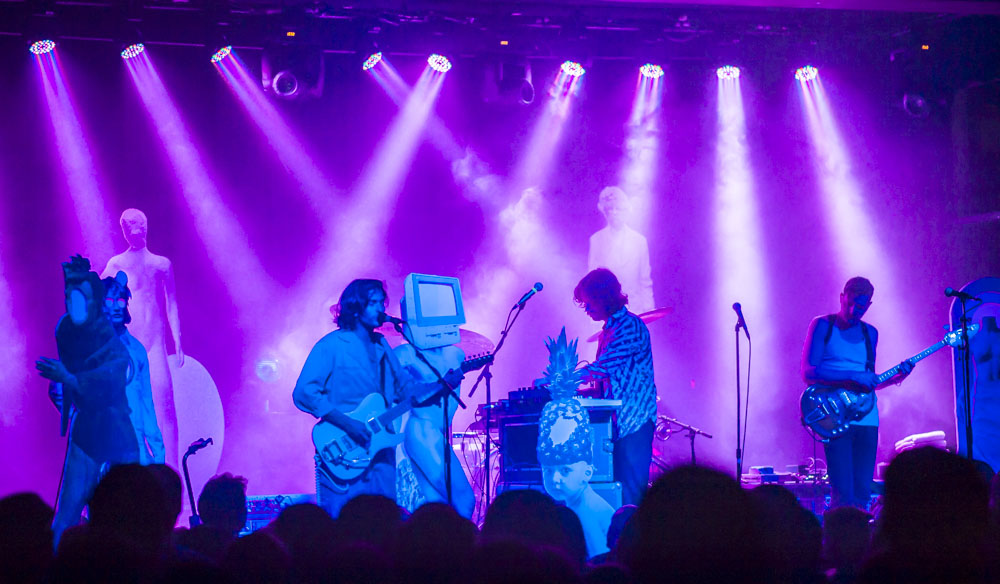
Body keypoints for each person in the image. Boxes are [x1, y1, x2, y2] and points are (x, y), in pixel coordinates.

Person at [293, 279, 462, 518]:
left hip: (380, 450)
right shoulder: (331, 345)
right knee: (346, 524)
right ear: (355, 306)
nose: (381, 309)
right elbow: (304, 392)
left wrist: (441, 385)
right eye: (373, 303)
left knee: (383, 523)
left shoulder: (382, 345)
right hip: (343, 449)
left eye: (382, 302)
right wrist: (349, 424)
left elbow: (406, 390)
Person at [36, 256, 139, 544]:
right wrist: (66, 386)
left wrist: (70, 379)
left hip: (117, 427)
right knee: (68, 513)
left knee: (129, 511)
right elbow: (69, 375)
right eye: (69, 297)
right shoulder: (67, 330)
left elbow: (113, 372)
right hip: (88, 429)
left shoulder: (118, 343)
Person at [800, 276, 913, 509]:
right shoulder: (823, 325)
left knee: (863, 491)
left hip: (867, 418)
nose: (853, 310)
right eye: (848, 303)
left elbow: (867, 383)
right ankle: (839, 542)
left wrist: (894, 379)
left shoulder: (871, 333)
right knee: (842, 491)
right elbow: (808, 372)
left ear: (869, 305)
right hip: (834, 415)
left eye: (860, 306)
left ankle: (861, 542)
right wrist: (852, 376)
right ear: (842, 298)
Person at [102, 208, 184, 470]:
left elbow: (172, 304)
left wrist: (178, 342)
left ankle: (173, 471)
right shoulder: (116, 264)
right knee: (133, 408)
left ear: (145, 226)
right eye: (127, 226)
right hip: (130, 347)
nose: (132, 229)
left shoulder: (161, 264)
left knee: (165, 406)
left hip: (154, 346)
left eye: (136, 224)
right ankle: (137, 471)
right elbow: (97, 293)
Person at [575, 268, 657, 507]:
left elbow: (604, 367)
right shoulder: (609, 330)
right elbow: (607, 377)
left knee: (632, 494)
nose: (587, 309)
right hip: (619, 423)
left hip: (635, 421)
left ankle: (635, 543)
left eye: (589, 303)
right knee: (617, 492)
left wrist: (562, 379)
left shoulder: (629, 326)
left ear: (604, 298)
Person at [587, 187, 655, 315]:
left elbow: (645, 280)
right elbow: (592, 279)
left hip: (635, 311)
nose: (614, 213)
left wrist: (649, 312)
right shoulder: (596, 240)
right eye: (609, 209)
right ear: (604, 212)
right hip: (606, 313)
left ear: (625, 210)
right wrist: (592, 312)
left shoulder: (639, 241)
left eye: (617, 208)